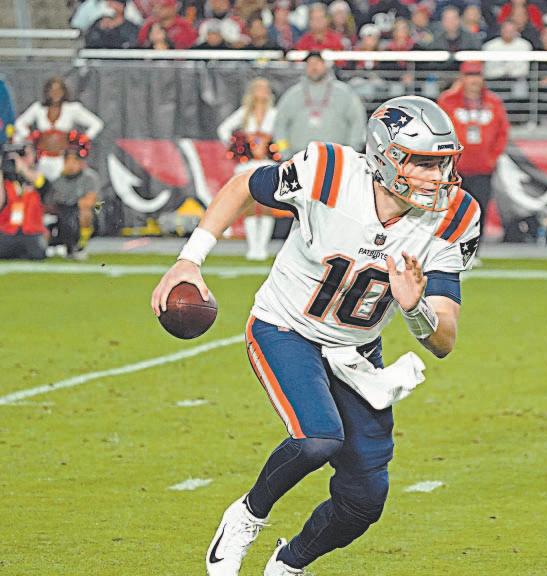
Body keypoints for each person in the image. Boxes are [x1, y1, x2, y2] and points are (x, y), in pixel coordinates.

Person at [150, 95, 479, 576]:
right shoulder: (328, 172)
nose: (438, 177)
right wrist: (189, 260)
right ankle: (246, 516)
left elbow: (444, 339)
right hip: (286, 327)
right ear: (385, 157)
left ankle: (288, 565)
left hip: (355, 351)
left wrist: (415, 309)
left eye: (442, 164)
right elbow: (244, 186)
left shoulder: (455, 216)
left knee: (364, 500)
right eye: (424, 163)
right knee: (317, 438)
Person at [437, 61, 510, 241]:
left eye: (477, 75)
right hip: (454, 170)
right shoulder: (447, 101)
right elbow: (438, 130)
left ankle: (474, 250)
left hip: (482, 170)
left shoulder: (494, 102)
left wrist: (492, 158)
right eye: (469, 75)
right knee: (451, 212)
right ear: (462, 78)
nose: (474, 80)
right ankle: (449, 249)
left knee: (479, 211)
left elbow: (503, 133)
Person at [218, 77, 282, 261]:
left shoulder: (275, 114)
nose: (263, 92)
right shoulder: (244, 113)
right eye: (259, 88)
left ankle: (263, 248)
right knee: (250, 205)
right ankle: (253, 248)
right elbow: (223, 129)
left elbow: (284, 134)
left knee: (267, 204)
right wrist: (239, 146)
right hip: (247, 165)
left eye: (265, 88)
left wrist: (274, 146)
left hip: (269, 164)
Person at [273, 51, 367, 156]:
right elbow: (279, 125)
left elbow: (358, 121)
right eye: (310, 64)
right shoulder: (292, 94)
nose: (314, 67)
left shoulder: (344, 93)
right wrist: (284, 152)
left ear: (325, 65)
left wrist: (352, 150)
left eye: (317, 63)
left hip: (336, 156)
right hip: (300, 157)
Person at [14, 77, 104, 183]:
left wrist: (84, 138)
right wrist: (27, 135)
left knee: (60, 188)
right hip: (41, 159)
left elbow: (97, 124)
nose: (55, 93)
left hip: (62, 160)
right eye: (52, 90)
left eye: (58, 90)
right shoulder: (38, 108)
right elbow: (19, 123)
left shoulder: (72, 109)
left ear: (64, 92)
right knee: (40, 187)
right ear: (47, 92)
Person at [44, 132, 100, 260]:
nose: (71, 164)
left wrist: (71, 206)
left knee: (84, 212)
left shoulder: (89, 177)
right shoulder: (58, 180)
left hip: (80, 213)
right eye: (68, 160)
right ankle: (50, 245)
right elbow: (50, 203)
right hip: (62, 214)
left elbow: (90, 201)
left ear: (80, 162)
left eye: (74, 161)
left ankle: (81, 245)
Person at [0, 143, 48, 260]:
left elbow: (42, 184)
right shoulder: (5, 181)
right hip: (7, 230)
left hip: (31, 231)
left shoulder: (38, 177)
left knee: (36, 254)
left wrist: (22, 168)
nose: (22, 158)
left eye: (25, 154)